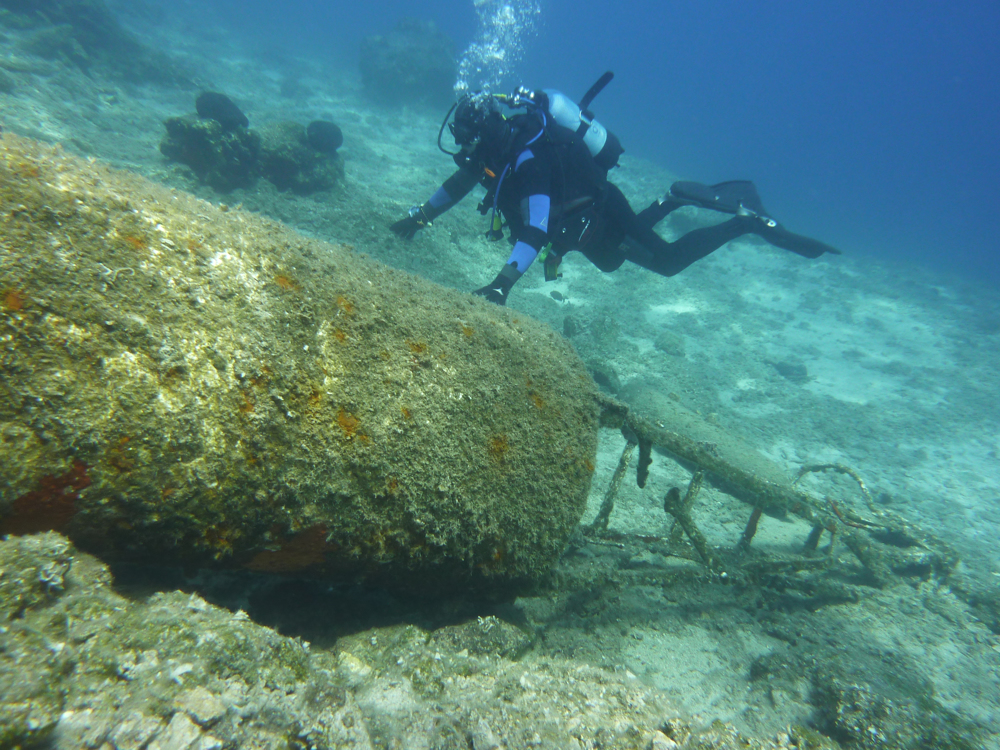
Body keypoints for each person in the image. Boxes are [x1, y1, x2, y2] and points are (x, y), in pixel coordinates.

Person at [390, 85, 840, 306]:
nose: (465, 149)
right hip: (576, 227)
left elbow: (536, 227)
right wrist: (418, 216)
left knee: (667, 262)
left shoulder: (527, 158)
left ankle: (741, 222)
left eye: (467, 139)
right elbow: (458, 185)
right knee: (611, 262)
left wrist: (500, 285)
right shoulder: (493, 154)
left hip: (601, 212)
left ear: (485, 132)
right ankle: (668, 201)